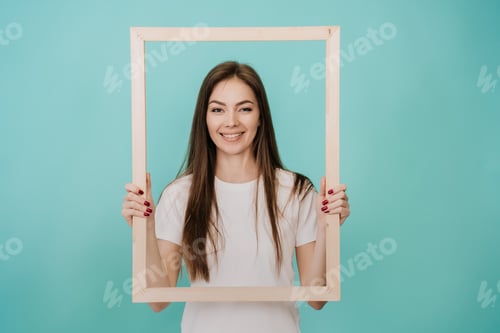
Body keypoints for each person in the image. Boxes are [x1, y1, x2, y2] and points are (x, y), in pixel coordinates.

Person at [121, 61, 350, 333]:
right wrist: (145, 227)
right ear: (204, 118)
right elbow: (158, 300)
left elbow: (316, 298)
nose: (231, 121)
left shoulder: (296, 191)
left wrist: (327, 228)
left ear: (260, 117)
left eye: (245, 109)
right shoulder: (180, 194)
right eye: (218, 109)